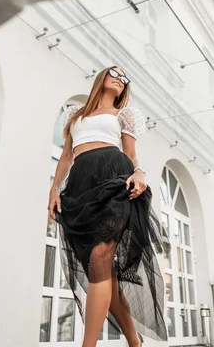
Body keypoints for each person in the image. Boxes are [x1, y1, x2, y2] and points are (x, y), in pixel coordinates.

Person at [48, 66, 167, 347]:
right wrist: (53, 190)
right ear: (102, 76)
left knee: (101, 257)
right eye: (115, 72)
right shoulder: (74, 115)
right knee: (103, 274)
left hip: (115, 180)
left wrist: (140, 174)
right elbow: (66, 156)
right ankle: (134, 342)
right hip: (80, 185)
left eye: (125, 78)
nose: (120, 78)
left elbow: (131, 154)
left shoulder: (125, 115)